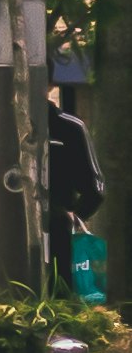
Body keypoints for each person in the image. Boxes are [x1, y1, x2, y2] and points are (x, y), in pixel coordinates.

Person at [52, 57, 107, 286]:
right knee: (65, 294)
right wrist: (73, 216)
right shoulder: (70, 128)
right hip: (60, 232)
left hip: (9, 241)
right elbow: (95, 190)